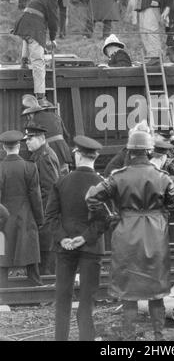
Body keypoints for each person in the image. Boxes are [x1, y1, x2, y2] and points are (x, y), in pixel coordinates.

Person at [86, 130, 174, 341]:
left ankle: (129, 337)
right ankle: (159, 337)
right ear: (149, 151)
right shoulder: (162, 176)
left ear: (129, 151)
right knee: (156, 292)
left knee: (128, 292)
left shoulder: (118, 176)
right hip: (155, 235)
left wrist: (109, 216)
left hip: (126, 234)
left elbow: (92, 197)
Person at [46, 135, 106, 341]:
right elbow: (106, 219)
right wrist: (85, 238)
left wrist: (63, 238)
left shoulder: (61, 182)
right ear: (95, 157)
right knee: (87, 300)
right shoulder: (102, 184)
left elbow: (51, 216)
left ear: (77, 155)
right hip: (91, 247)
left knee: (62, 298)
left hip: (65, 248)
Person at [12, 0, 67, 106]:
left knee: (28, 39)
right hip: (34, 27)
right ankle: (41, 97)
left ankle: (24, 61)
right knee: (38, 62)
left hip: (24, 23)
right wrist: (53, 39)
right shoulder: (51, 0)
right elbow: (53, 22)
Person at [0, 130, 44, 288]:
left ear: (4, 147)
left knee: (2, 256)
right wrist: (39, 219)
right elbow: (35, 197)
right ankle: (36, 288)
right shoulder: (30, 167)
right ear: (19, 145)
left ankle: (3, 291)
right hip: (26, 216)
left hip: (3, 219)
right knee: (30, 254)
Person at [24, 124, 60, 275]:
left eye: (30, 138)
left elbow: (50, 189)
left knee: (47, 256)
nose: (27, 142)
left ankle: (48, 291)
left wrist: (42, 217)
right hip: (46, 216)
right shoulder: (41, 155)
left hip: (46, 216)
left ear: (41, 138)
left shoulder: (44, 157)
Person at [21, 94, 72, 174]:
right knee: (64, 178)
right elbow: (67, 135)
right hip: (63, 153)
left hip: (48, 155)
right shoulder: (55, 116)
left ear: (30, 113)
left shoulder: (32, 122)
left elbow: (31, 144)